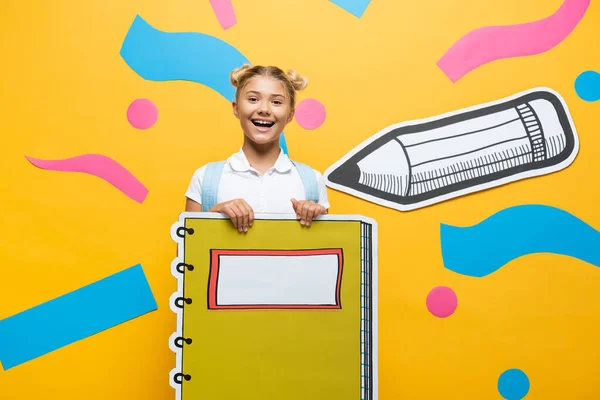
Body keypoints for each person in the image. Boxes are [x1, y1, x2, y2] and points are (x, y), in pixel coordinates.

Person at [184, 64, 330, 232]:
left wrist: (319, 220)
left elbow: (327, 254)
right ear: (236, 108)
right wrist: (213, 216)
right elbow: (188, 255)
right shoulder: (205, 179)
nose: (264, 110)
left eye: (276, 102)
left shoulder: (313, 180)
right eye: (253, 99)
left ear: (290, 115)